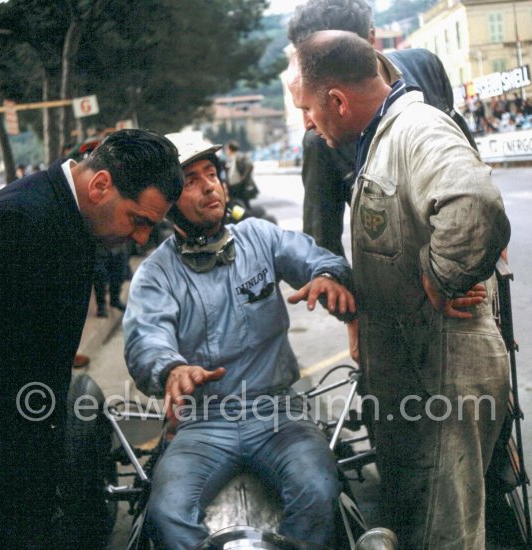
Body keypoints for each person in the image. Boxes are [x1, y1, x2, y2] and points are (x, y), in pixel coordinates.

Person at [287, 31, 511, 549]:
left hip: (443, 371)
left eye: (308, 109)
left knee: (446, 526)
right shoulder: (377, 138)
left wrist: (442, 274)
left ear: (338, 101)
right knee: (418, 513)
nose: (307, 123)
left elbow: (474, 202)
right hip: (415, 370)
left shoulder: (416, 130)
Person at [123, 136, 357, 549]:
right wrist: (171, 368)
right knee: (167, 513)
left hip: (279, 412)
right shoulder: (156, 273)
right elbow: (146, 338)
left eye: (212, 175)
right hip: (202, 421)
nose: (209, 186)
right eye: (192, 180)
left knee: (320, 491)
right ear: (170, 200)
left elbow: (315, 257)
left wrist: (327, 276)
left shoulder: (260, 237)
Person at [0, 129, 184, 549]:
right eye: (139, 220)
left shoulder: (66, 213)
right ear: (100, 185)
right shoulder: (14, 221)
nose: (143, 238)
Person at [287, 0, 477, 258]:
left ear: (370, 40)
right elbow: (322, 244)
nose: (315, 73)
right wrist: (338, 285)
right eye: (307, 62)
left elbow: (470, 161)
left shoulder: (426, 66)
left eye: (330, 56)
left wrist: (490, 248)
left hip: (474, 265)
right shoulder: (319, 139)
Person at [225, 140, 259, 206]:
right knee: (236, 203)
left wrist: (243, 177)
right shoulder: (230, 158)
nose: (226, 151)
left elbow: (250, 165)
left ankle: (247, 215)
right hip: (233, 186)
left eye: (227, 149)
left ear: (230, 149)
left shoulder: (240, 156)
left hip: (240, 185)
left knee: (243, 203)